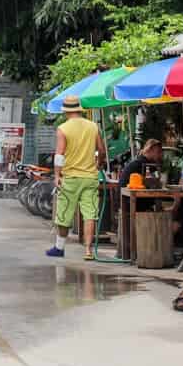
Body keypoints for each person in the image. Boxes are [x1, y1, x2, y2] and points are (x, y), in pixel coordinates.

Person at [47, 95, 107, 261]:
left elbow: (59, 155)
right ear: (79, 109)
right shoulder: (93, 126)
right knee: (89, 214)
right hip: (90, 177)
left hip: (71, 177)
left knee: (64, 213)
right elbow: (101, 151)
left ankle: (59, 247)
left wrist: (57, 175)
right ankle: (88, 250)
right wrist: (98, 164)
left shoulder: (63, 129)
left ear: (66, 111)